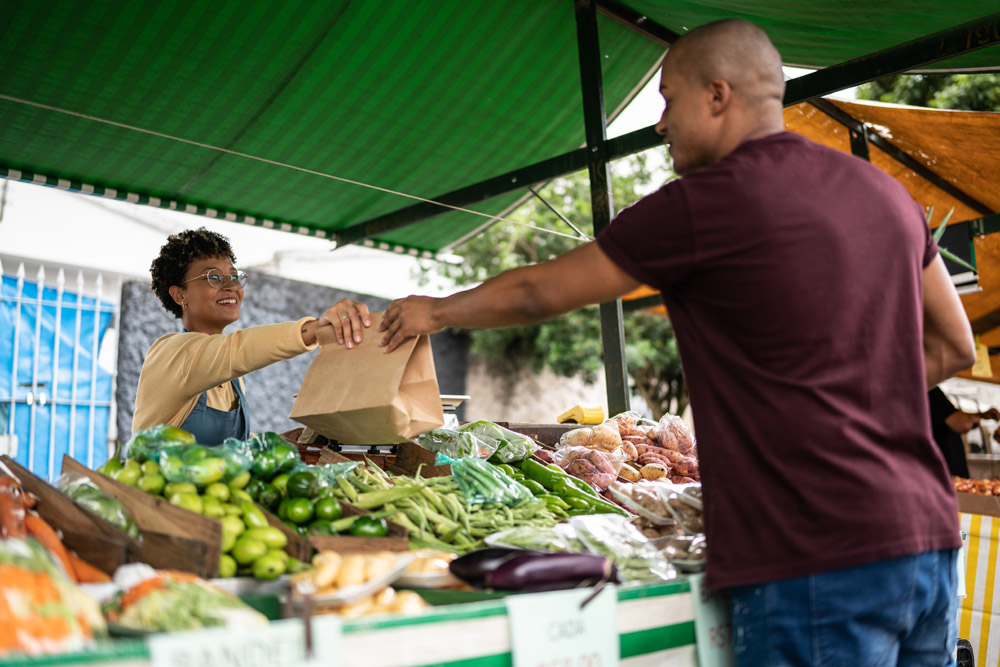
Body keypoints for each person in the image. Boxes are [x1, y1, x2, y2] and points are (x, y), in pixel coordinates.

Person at [379, 19, 975, 666]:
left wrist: (433, 310)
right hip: (926, 538)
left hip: (812, 550)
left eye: (668, 99)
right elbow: (952, 346)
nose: (662, 123)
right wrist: (850, 393)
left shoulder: (708, 201)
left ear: (717, 95)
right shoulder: (888, 195)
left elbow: (536, 293)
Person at [132, 227, 370, 445]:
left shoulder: (232, 380)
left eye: (234, 276)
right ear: (179, 295)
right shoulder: (171, 352)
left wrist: (277, 441)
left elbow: (229, 447)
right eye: (213, 277)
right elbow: (238, 349)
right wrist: (315, 329)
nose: (231, 286)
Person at [928, 386, 1000, 478]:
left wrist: (980, 415)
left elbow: (951, 415)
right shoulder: (930, 391)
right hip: (942, 473)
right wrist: (977, 416)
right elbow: (962, 423)